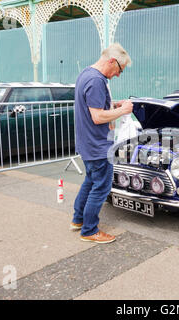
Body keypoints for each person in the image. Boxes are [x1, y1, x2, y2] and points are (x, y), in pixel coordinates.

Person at [70, 43, 133, 244]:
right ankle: (89, 230)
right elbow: (97, 117)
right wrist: (123, 111)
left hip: (87, 143)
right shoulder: (97, 81)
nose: (118, 75)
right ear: (112, 61)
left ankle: (78, 220)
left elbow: (94, 107)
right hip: (97, 145)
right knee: (102, 188)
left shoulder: (86, 74)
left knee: (90, 181)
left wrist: (114, 105)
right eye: (119, 70)